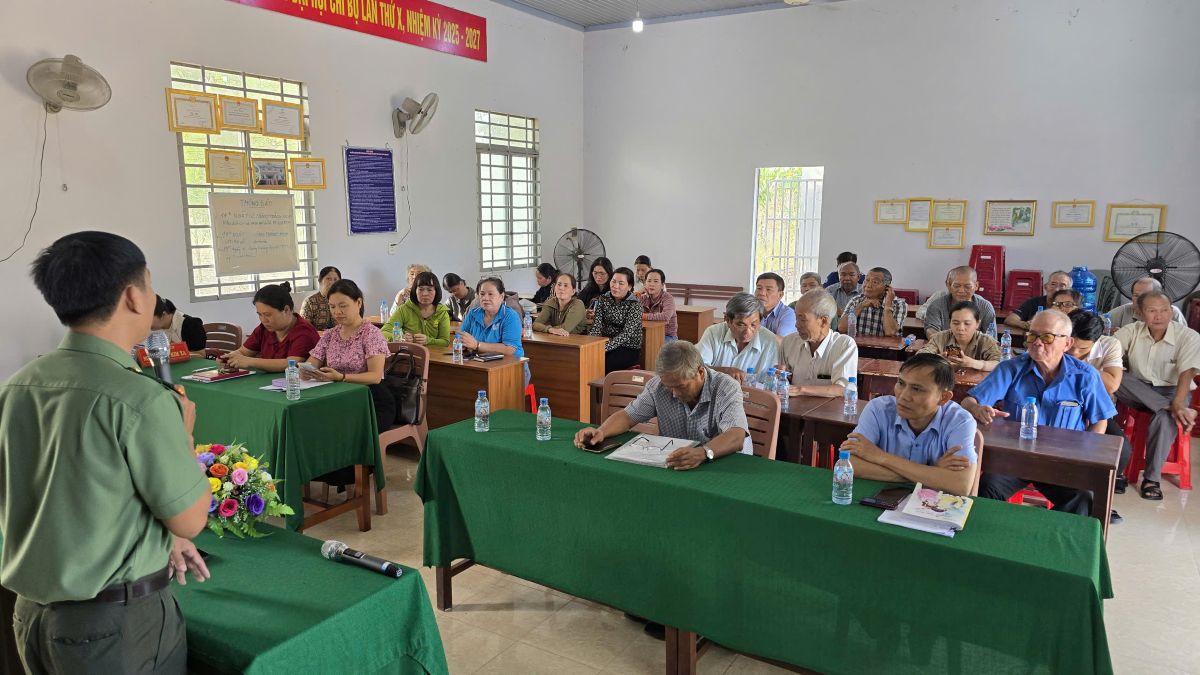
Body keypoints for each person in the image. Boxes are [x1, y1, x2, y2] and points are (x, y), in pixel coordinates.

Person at [1, 231, 211, 674]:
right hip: (111, 626)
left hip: (29, 614)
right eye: (150, 285)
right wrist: (184, 437)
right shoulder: (139, 398)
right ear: (133, 296)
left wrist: (160, 539)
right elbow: (191, 519)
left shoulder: (18, 387)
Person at [962, 310, 1116, 516]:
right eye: (1032, 335)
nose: (1037, 342)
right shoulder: (1011, 368)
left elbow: (1100, 420)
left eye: (1047, 337)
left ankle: (1051, 535)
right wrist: (977, 409)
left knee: (1082, 498)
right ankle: (994, 533)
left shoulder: (1085, 376)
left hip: (1063, 462)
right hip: (1013, 460)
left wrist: (1084, 456)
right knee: (986, 488)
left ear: (1067, 343)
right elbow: (968, 401)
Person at [574, 340, 750, 469]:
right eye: (668, 387)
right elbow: (628, 416)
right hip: (679, 463)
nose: (674, 393)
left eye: (680, 386)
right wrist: (601, 432)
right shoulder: (657, 386)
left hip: (722, 463)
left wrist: (704, 453)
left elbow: (736, 435)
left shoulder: (726, 387)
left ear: (700, 373)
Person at [840, 354, 979, 495]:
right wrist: (932, 473)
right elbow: (850, 463)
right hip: (882, 498)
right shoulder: (878, 409)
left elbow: (961, 484)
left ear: (943, 397)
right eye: (901, 383)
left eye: (916, 389)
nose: (903, 396)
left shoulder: (960, 421)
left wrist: (880, 456)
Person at [1113, 289, 1200, 500]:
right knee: (1118, 377)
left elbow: (1187, 372)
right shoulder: (1131, 331)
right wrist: (1176, 407)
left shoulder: (1188, 336)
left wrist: (1178, 401)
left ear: (1171, 311)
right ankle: (1171, 409)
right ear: (1140, 313)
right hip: (1137, 390)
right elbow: (1109, 353)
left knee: (1164, 418)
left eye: (1164, 310)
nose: (1159, 316)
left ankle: (1151, 479)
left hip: (1173, 390)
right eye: (1152, 311)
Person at [1068, 310, 1131, 509]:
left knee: (1121, 450)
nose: (1074, 352)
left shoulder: (1110, 345)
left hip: (1095, 409)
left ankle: (1097, 499)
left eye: (1083, 349)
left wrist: (1080, 365)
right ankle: (1071, 495)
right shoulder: (1057, 340)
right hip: (1062, 409)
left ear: (1096, 341)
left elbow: (1112, 385)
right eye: (1071, 346)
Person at [303, 279, 391, 417]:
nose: (337, 312)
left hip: (370, 400)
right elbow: (311, 364)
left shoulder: (371, 334)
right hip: (338, 397)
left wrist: (341, 377)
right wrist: (305, 371)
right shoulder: (330, 334)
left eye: (343, 306)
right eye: (332, 307)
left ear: (359, 303)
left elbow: (375, 377)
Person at [222, 281, 320, 372]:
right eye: (260, 315)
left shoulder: (304, 332)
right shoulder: (263, 329)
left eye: (267, 315)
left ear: (286, 310)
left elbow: (290, 364)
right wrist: (229, 358)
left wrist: (249, 361)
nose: (263, 320)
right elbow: (243, 352)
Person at [777, 290, 857, 397]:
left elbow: (842, 389)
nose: (796, 324)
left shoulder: (844, 345)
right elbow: (784, 382)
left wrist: (801, 390)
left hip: (829, 407)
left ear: (824, 321)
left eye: (802, 319)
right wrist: (781, 376)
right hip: (793, 405)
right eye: (796, 318)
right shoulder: (789, 342)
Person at [697, 293, 778, 383]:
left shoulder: (770, 341)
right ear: (728, 320)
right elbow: (696, 368)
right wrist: (725, 371)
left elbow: (771, 382)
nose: (747, 332)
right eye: (741, 325)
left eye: (753, 325)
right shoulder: (713, 333)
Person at [460, 278, 527, 382]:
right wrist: (463, 344)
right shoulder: (473, 313)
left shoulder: (510, 316)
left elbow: (509, 349)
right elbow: (460, 336)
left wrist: (477, 345)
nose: (485, 298)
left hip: (511, 369)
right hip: (480, 366)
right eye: (482, 294)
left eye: (490, 294)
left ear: (501, 296)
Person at [918, 302, 1001, 372]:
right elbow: (919, 357)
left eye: (967, 323)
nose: (961, 328)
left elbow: (1000, 364)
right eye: (955, 323)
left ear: (977, 324)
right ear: (950, 323)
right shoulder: (940, 337)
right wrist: (937, 359)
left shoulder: (987, 341)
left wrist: (974, 363)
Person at [590, 267, 644, 373]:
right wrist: (589, 344)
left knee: (603, 364)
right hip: (605, 342)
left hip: (628, 347)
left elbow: (626, 334)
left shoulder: (635, 304)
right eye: (613, 281)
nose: (615, 286)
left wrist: (605, 347)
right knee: (586, 358)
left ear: (629, 286)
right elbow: (596, 327)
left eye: (621, 283)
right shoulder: (603, 299)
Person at [920, 266, 998, 333]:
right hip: (944, 345)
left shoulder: (985, 307)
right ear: (948, 285)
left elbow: (991, 338)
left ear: (976, 286)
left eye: (967, 286)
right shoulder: (936, 305)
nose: (961, 291)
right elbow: (932, 331)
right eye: (956, 286)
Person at [382, 270, 451, 346]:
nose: (425, 294)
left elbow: (445, 342)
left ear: (436, 292)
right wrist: (401, 338)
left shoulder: (442, 312)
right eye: (421, 289)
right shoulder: (404, 309)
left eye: (429, 290)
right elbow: (383, 332)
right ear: (415, 291)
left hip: (433, 353)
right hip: (409, 352)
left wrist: (429, 341)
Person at [839, 267, 906, 337]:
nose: (868, 285)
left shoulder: (899, 305)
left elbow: (890, 332)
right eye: (867, 280)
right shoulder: (856, 301)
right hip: (859, 344)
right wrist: (861, 306)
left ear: (887, 287)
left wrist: (888, 305)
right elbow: (841, 328)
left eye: (875, 282)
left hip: (884, 344)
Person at [1108, 277, 1187, 329]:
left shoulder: (1173, 313)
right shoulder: (1125, 310)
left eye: (1145, 296)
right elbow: (1101, 322)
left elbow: (1183, 340)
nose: (1139, 300)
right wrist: (1110, 332)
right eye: (1136, 295)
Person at [1004, 270, 1072, 330]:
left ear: (1069, 290)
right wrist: (1025, 324)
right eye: (1053, 284)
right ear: (1046, 287)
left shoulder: (1072, 307)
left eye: (1062, 285)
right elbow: (1010, 319)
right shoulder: (1033, 302)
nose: (1056, 289)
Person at [755, 272, 796, 339]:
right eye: (759, 288)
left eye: (768, 289)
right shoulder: (750, 311)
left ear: (780, 295)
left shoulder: (789, 314)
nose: (762, 293)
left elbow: (780, 342)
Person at [640, 268, 678, 340]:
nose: (651, 284)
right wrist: (638, 293)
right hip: (648, 334)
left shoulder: (668, 297)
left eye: (656, 281)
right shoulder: (643, 297)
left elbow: (665, 316)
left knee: (654, 345)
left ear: (662, 285)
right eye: (649, 281)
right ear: (645, 283)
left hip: (667, 336)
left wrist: (644, 316)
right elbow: (629, 311)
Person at [302, 265, 342, 330]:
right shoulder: (310, 301)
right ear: (320, 281)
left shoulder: (343, 300)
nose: (332, 282)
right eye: (328, 279)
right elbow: (304, 328)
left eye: (335, 279)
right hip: (317, 335)